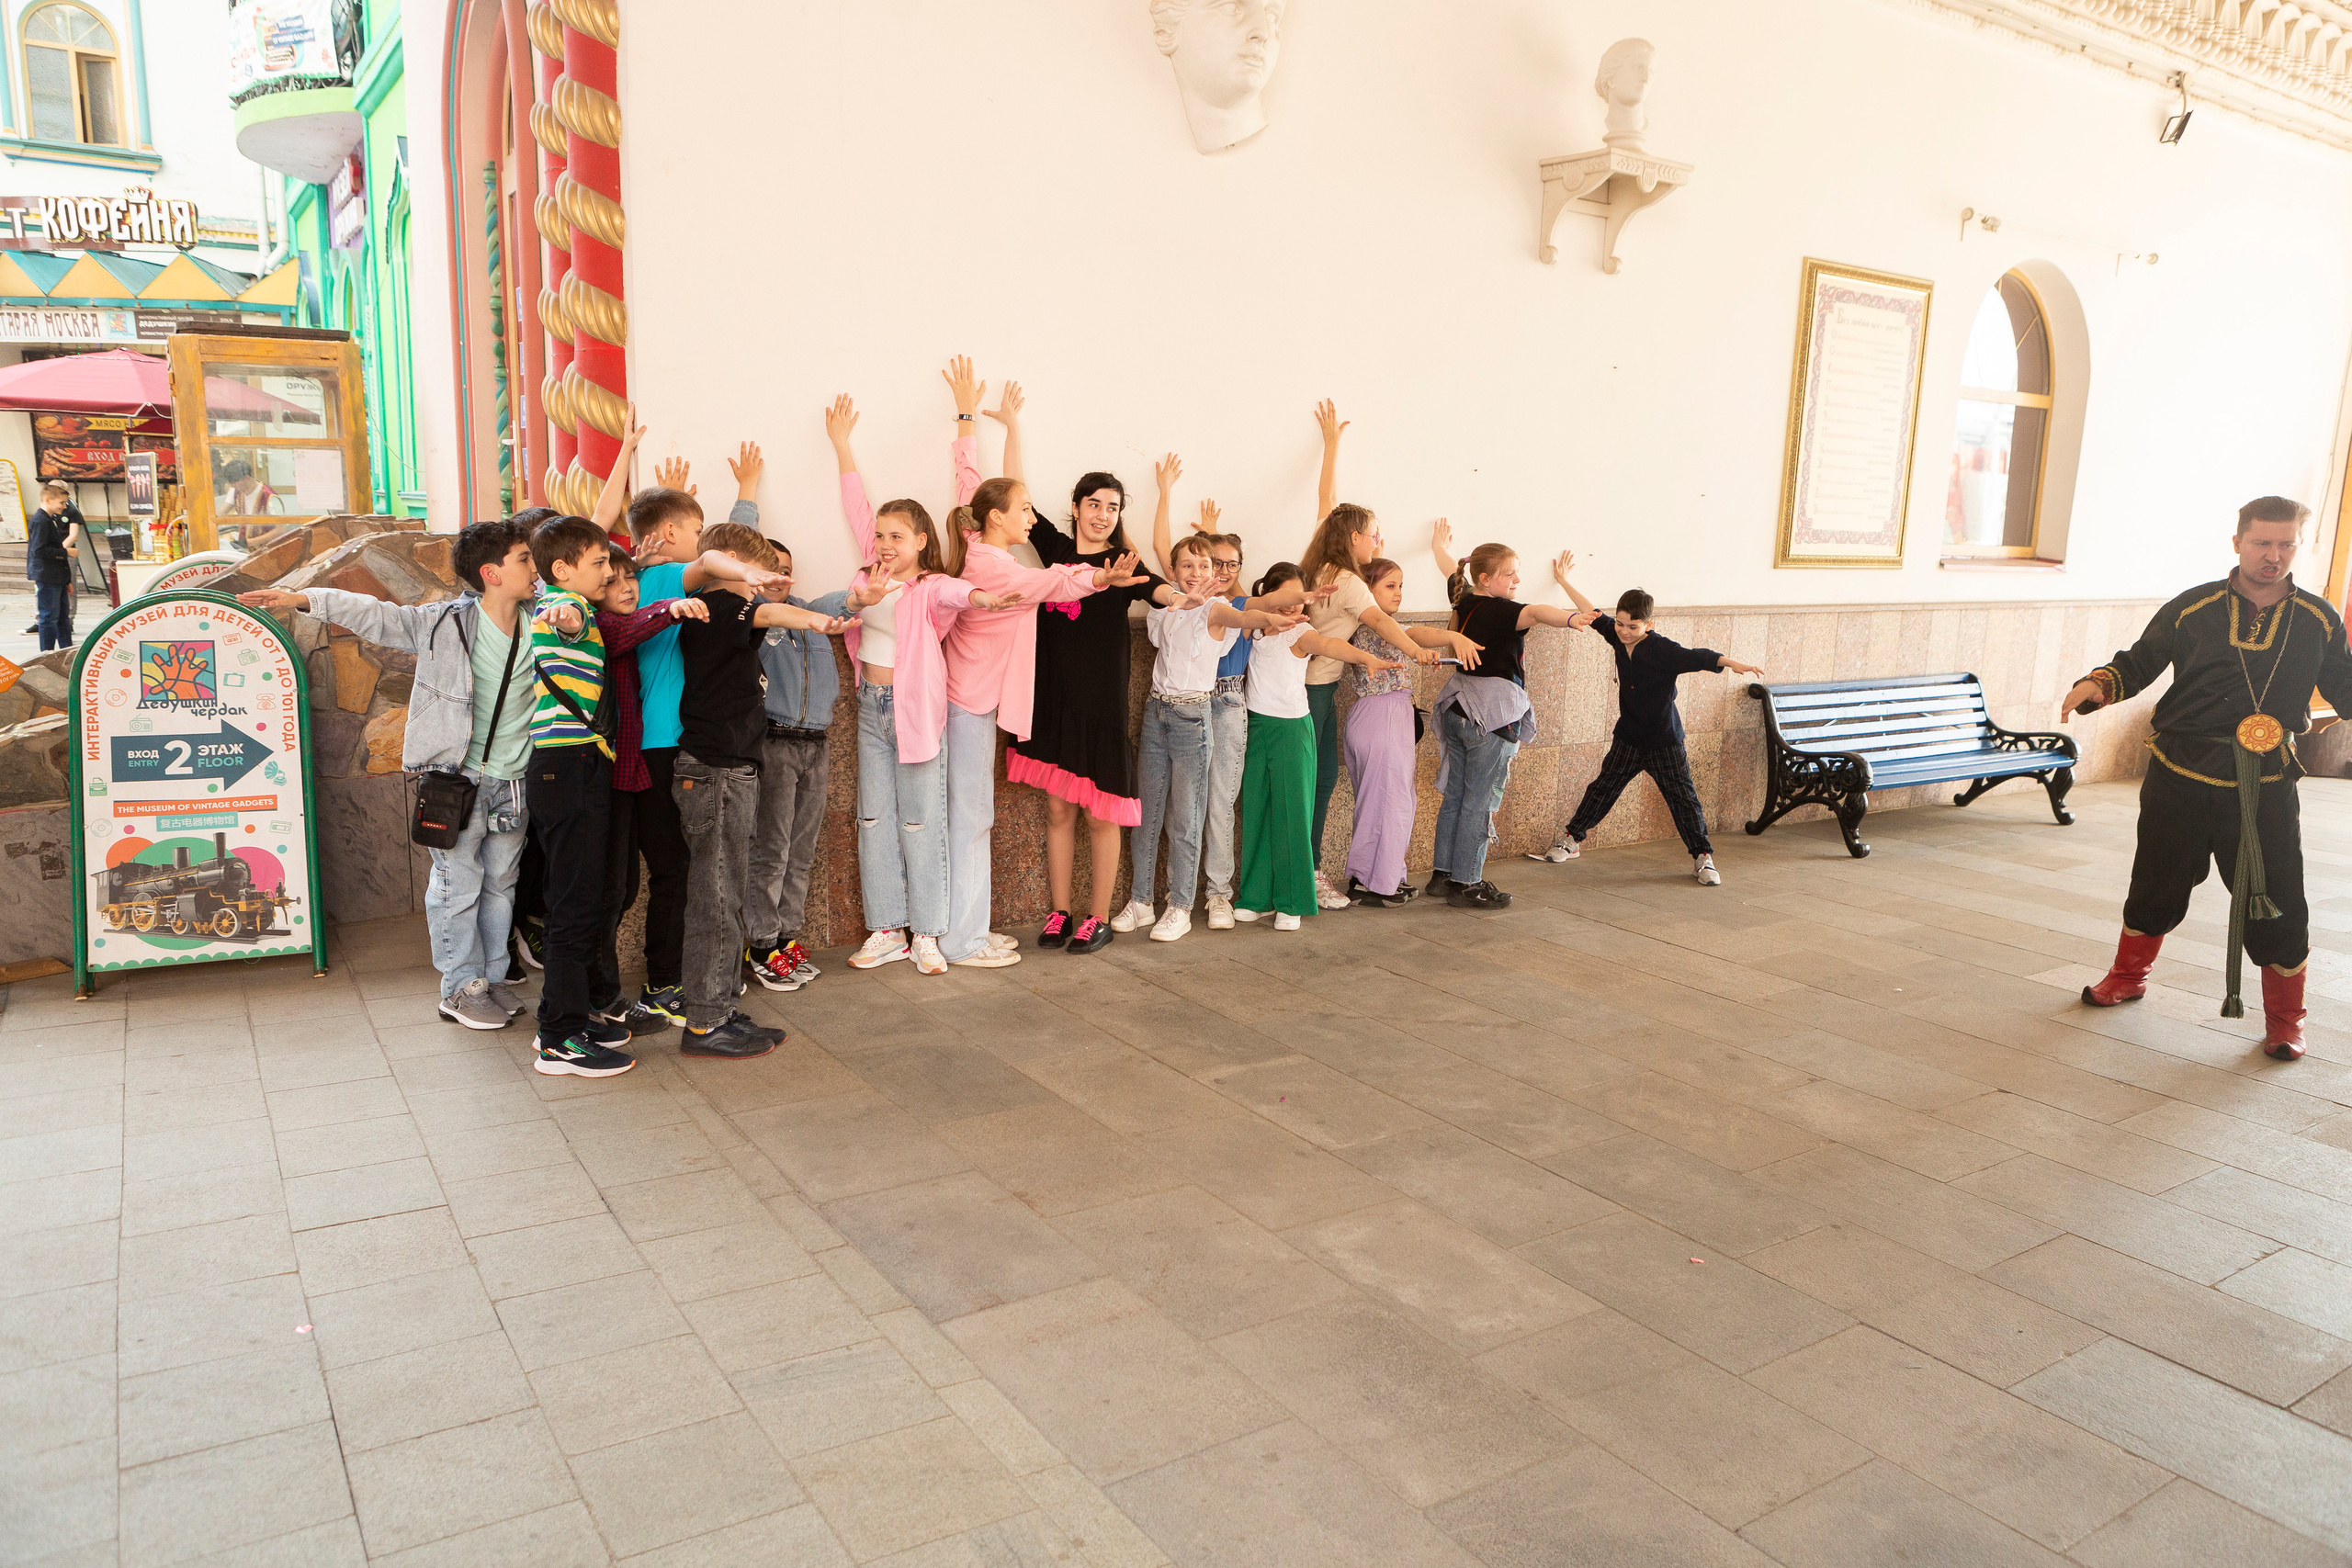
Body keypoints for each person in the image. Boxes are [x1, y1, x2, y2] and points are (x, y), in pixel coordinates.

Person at [2066, 495, 2352, 1062]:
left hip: (2265, 784)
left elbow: (2344, 684)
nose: (2273, 556)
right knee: (2157, 878)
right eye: (2262, 543)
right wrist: (2100, 684)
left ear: (2299, 545)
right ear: (2237, 542)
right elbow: (2141, 658)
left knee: (2276, 898)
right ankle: (2128, 976)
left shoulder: (2318, 618)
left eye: (2286, 544)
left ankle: (2284, 1021)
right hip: (2181, 772)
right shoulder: (2192, 607)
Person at [239, 519, 545, 1031]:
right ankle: (460, 989)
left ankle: (491, 979)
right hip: (458, 778)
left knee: (501, 885)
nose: (534, 567)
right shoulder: (444, 622)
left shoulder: (544, 618)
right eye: (523, 559)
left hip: (516, 778)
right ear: (491, 573)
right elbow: (376, 615)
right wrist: (302, 599)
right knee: (456, 884)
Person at [937, 360, 1142, 968]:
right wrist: (1098, 576)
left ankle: (992, 928)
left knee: (986, 820)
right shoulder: (1005, 565)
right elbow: (1052, 578)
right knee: (978, 821)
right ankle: (969, 936)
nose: (1031, 516)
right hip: (983, 702)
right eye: (1023, 510)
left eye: (1113, 506)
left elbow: (973, 482)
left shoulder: (985, 540)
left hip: (1013, 702)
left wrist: (971, 420)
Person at [827, 396, 1021, 976]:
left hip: (916, 710)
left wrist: (984, 596)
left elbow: (959, 595)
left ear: (920, 541)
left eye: (897, 537)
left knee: (922, 818)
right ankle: (887, 928)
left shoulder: (931, 585)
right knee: (874, 818)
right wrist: (842, 445)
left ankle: (929, 932)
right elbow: (856, 507)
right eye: (881, 535)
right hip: (870, 708)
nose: (885, 543)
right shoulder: (871, 575)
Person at [668, 523, 851, 1054]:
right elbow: (769, 612)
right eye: (757, 571)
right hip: (715, 770)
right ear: (732, 565)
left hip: (725, 768)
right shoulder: (720, 607)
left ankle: (719, 1007)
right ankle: (705, 1022)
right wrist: (818, 620)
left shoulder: (715, 612)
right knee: (717, 898)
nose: (762, 583)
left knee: (723, 894)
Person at [616, 414, 774, 1021]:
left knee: (686, 872)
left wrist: (747, 498)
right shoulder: (659, 575)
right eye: (693, 529)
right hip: (663, 747)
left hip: (670, 746)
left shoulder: (661, 574)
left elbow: (728, 556)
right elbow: (716, 562)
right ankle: (664, 982)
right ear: (671, 534)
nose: (704, 541)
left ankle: (681, 979)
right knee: (678, 873)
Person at [1007, 465, 1193, 954]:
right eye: (1094, 505)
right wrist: (1007, 424)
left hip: (1100, 707)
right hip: (1054, 701)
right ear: (1075, 507)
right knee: (1057, 807)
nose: (1103, 515)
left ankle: (1098, 917)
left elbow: (1158, 589)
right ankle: (1060, 912)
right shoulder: (1057, 550)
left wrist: (1181, 599)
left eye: (1113, 508)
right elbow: (1015, 490)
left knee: (1099, 815)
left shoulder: (1124, 564)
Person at [1115, 508, 1302, 942]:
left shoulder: (1216, 609)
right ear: (1175, 572)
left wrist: (1271, 618)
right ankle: (1141, 899)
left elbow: (1244, 615)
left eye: (1206, 565)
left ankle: (1180, 904)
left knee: (1188, 816)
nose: (1198, 572)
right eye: (1189, 565)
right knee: (1148, 813)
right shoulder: (1165, 611)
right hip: (1156, 711)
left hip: (1193, 718)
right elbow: (1153, 574)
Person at [1530, 553, 1762, 886]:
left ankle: (1704, 858)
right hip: (1629, 736)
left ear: (1648, 625)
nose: (1624, 631)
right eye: (1621, 624)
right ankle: (1571, 840)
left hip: (1663, 740)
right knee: (1603, 788)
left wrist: (1733, 663)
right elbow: (1594, 614)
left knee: (1683, 799)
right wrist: (1564, 581)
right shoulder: (1616, 634)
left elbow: (1697, 657)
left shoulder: (1662, 650)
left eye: (1632, 627)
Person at [1297, 402, 1445, 909]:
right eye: (1374, 533)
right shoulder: (1350, 582)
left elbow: (1327, 503)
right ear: (1355, 538)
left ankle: (1308, 870)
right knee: (1317, 785)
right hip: (1314, 688)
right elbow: (1385, 624)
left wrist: (1332, 446)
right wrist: (1416, 654)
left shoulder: (1322, 561)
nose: (1378, 539)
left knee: (1321, 779)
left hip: (1311, 683)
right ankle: (1308, 875)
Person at [522, 513, 637, 1077]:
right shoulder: (562, 610)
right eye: (598, 563)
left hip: (578, 765)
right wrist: (566, 614)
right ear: (562, 570)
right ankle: (557, 1038)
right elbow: (559, 618)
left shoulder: (583, 609)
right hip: (565, 767)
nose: (609, 572)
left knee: (583, 900)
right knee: (573, 905)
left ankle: (571, 1017)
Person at [1236, 562, 1403, 929]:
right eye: (1286, 597)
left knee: (1292, 815)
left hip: (1293, 731)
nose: (1293, 606)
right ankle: (1256, 896)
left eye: (1300, 599)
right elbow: (1242, 600)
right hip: (1258, 728)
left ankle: (1293, 903)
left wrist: (1366, 658)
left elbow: (1330, 645)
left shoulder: (1302, 632)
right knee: (1257, 812)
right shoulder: (1254, 625)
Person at [1422, 535, 1582, 909]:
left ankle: (1443, 876)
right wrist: (1573, 618)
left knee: (1457, 797)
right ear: (1485, 578)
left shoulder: (1464, 597)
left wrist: (1437, 548)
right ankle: (1468, 882)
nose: (1516, 581)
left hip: (1458, 712)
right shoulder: (1504, 611)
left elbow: (1452, 570)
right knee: (1480, 801)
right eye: (1508, 575)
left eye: (1517, 574)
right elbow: (1541, 612)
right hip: (1490, 720)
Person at [1341, 558, 1430, 907]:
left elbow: (1414, 634)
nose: (1399, 593)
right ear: (1367, 591)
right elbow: (1414, 637)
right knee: (1389, 803)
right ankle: (1377, 883)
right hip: (1382, 716)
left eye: (1401, 585)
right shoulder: (1372, 625)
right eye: (1390, 586)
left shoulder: (1382, 625)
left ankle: (1381, 876)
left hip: (1382, 716)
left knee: (1388, 801)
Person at [27, 480, 78, 651]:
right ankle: (47, 653)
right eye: (61, 503)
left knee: (63, 617)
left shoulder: (50, 519)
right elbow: (39, 551)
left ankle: (66, 651)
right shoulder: (40, 521)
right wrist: (66, 552)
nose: (64, 507)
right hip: (47, 576)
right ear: (47, 499)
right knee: (49, 618)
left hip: (57, 577)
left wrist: (66, 580)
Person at [218, 458, 283, 516]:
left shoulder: (269, 496)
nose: (232, 486)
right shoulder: (235, 491)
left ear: (247, 478)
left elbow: (281, 529)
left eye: (235, 482)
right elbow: (219, 514)